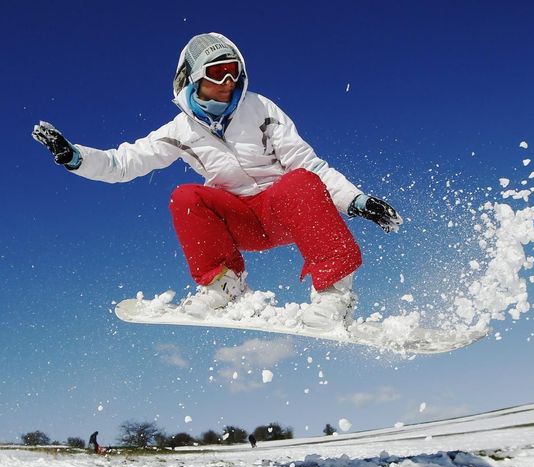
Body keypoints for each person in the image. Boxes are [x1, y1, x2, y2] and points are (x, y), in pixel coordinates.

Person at [32, 33, 402, 330]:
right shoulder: (180, 130)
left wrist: (356, 200)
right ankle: (225, 285)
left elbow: (310, 165)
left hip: (287, 210)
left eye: (233, 71)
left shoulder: (260, 110)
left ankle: (335, 294)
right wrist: (75, 157)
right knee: (186, 196)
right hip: (240, 222)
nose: (227, 83)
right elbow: (122, 162)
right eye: (216, 73)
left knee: (298, 180)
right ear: (192, 78)